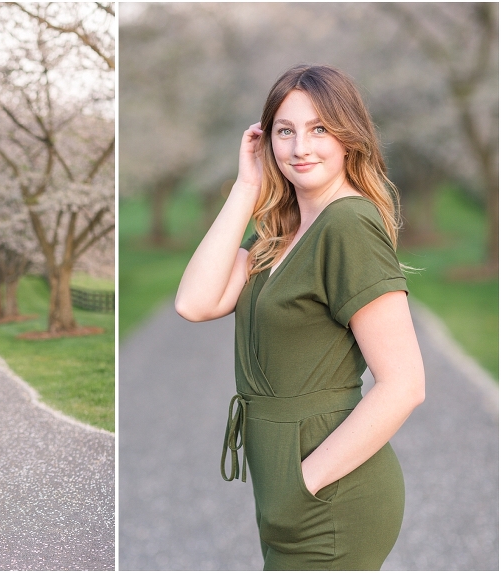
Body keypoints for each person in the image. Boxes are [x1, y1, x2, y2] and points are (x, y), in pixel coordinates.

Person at [175, 64, 425, 569]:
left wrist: (301, 484)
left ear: (349, 137)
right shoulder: (279, 232)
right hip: (286, 491)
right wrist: (247, 187)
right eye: (285, 132)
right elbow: (195, 302)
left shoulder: (349, 224)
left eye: (319, 130)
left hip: (332, 494)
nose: (300, 148)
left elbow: (405, 385)